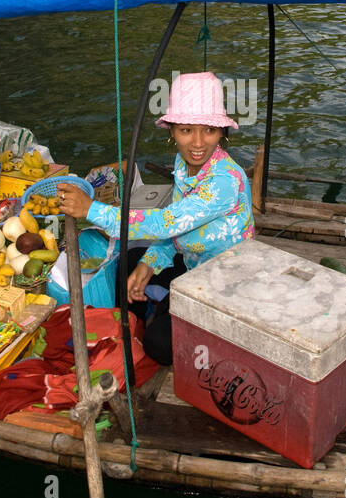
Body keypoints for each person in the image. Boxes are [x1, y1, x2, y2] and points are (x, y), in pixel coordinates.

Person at [55, 72, 255, 365]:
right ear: (172, 132)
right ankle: (152, 311)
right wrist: (150, 264)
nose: (197, 142)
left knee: (158, 345)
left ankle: (168, 313)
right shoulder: (186, 166)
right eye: (186, 130)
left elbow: (166, 223)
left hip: (224, 286)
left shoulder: (224, 180)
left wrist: (91, 210)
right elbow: (176, 233)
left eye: (208, 131)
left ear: (221, 133)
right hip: (193, 263)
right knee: (130, 261)